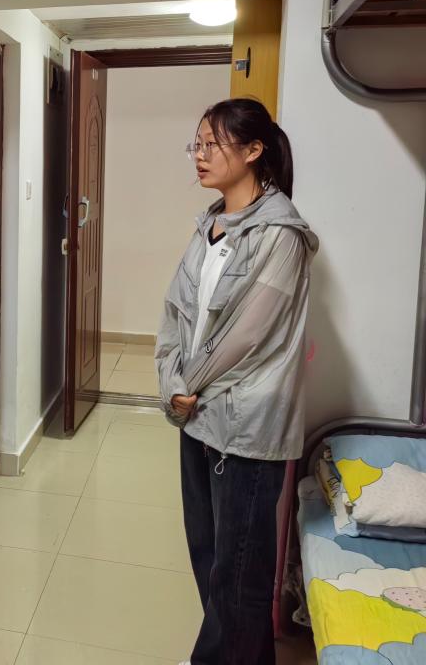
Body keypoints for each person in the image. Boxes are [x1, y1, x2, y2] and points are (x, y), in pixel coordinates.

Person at [155, 98, 318, 665]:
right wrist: (171, 384)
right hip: (196, 415)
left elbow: (248, 338)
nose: (199, 155)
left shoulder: (281, 236)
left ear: (253, 150)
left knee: (241, 575)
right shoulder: (209, 227)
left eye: (212, 144)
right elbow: (176, 314)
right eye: (196, 144)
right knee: (209, 558)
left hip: (245, 427)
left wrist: (187, 387)